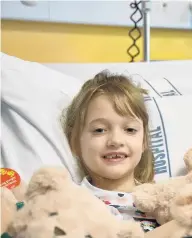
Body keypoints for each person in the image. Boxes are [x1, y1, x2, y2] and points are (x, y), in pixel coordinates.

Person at [61, 71, 159, 232]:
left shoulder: (164, 200)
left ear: (144, 141)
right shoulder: (73, 204)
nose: (116, 141)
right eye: (99, 130)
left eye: (130, 129)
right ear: (75, 142)